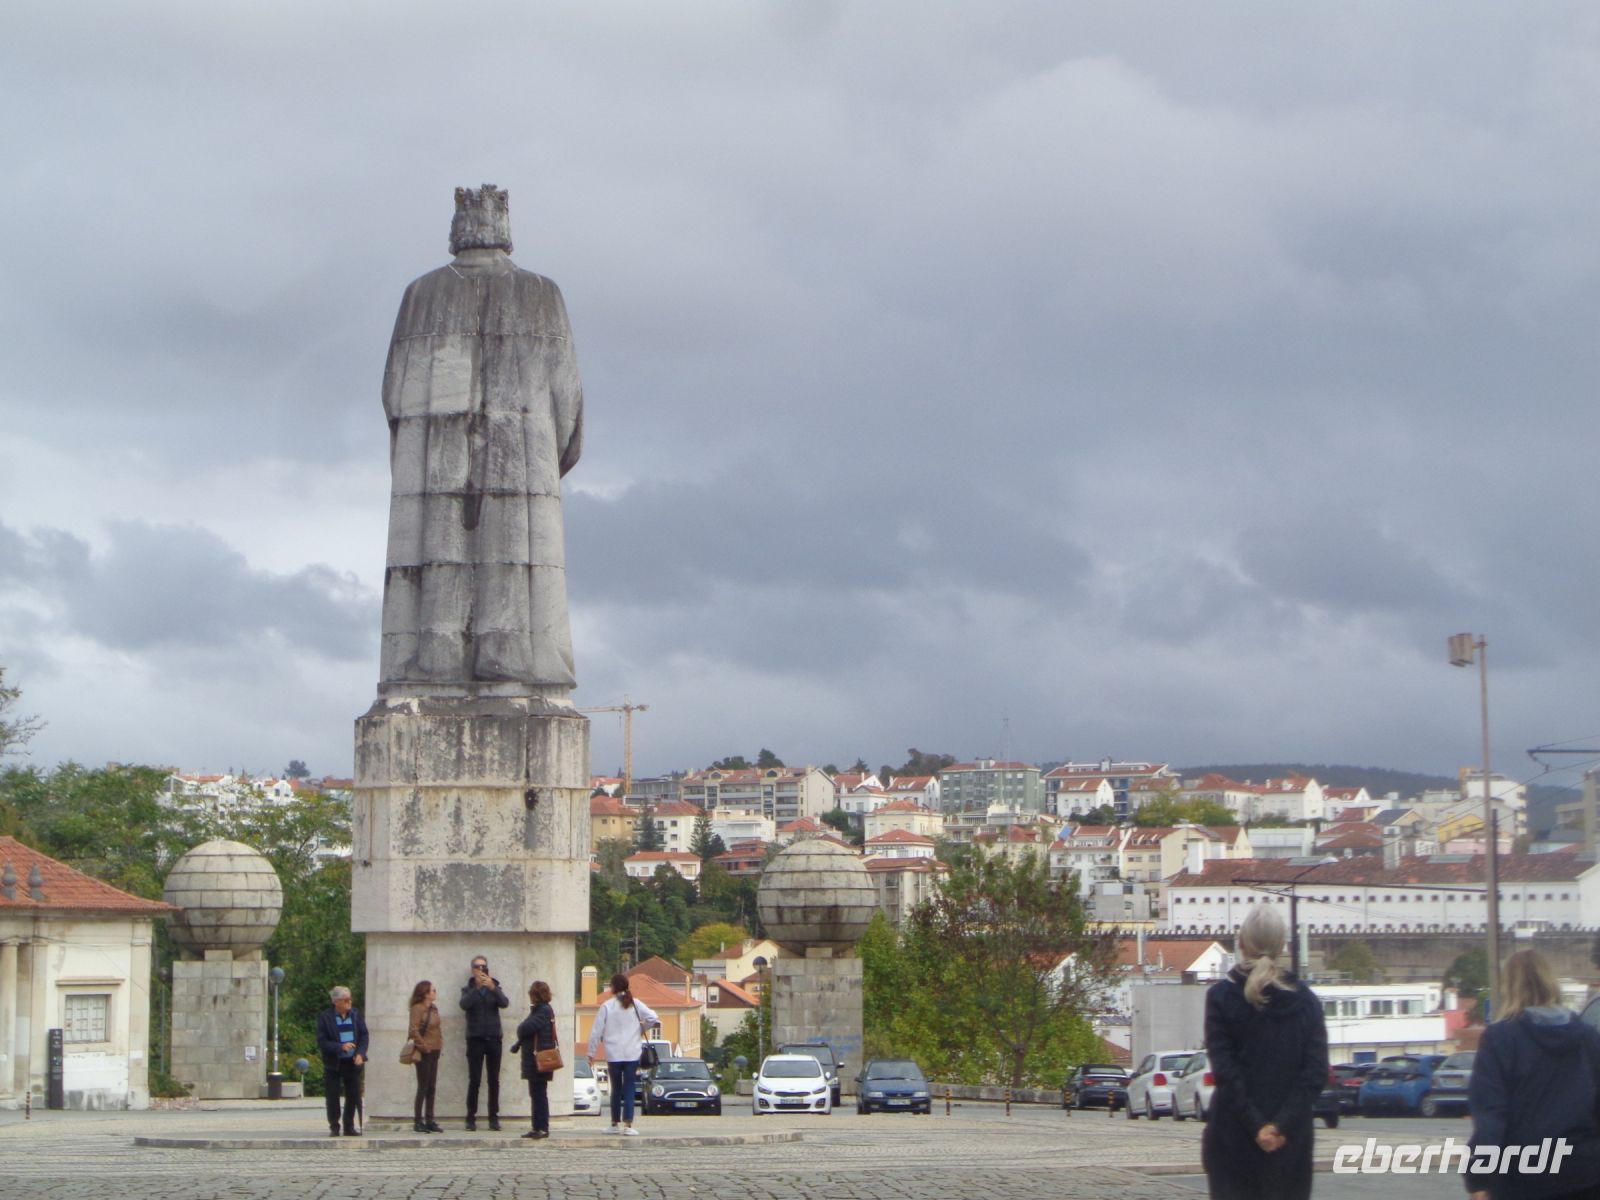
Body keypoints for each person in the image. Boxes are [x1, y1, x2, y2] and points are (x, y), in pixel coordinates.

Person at [1201, 906, 1327, 1200]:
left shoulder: (1220, 998)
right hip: (1290, 1144)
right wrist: (1280, 1126)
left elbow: (1226, 1072)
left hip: (1233, 1139)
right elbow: (1315, 1073)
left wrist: (1257, 1126)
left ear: (1241, 943)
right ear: (1282, 946)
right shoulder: (1307, 1002)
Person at [1466, 949, 1600, 1200]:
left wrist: (1479, 1178)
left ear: (1509, 987)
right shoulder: (1588, 1038)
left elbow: (1491, 1117)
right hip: (1585, 1174)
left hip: (1522, 1177)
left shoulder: (1500, 1039)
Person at [586, 972, 658, 1136]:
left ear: (612, 988)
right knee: (630, 1087)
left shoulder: (607, 1006)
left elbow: (596, 1031)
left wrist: (591, 1052)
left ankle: (614, 1123)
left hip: (613, 1053)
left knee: (616, 1088)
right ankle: (628, 1124)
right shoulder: (635, 1004)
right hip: (632, 1052)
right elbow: (653, 1017)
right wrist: (640, 1029)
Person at [459, 954, 510, 1130]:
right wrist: (477, 988)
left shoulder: (495, 986)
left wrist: (493, 988)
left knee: (493, 1080)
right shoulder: (468, 989)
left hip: (494, 1038)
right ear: (472, 970)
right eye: (477, 967)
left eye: (483, 967)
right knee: (474, 1080)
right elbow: (464, 1005)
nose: (480, 970)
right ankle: (470, 1117)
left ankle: (493, 1117)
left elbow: (504, 1003)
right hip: (475, 1039)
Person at [315, 986, 369, 1137]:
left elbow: (364, 1036)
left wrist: (360, 1053)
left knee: (353, 1095)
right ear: (336, 1002)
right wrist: (340, 1047)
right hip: (334, 1062)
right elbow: (322, 1041)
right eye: (346, 1000)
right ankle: (334, 1125)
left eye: (350, 999)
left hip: (352, 1062)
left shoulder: (356, 1015)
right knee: (332, 1095)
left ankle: (349, 1126)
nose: (349, 1002)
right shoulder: (326, 1017)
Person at [513, 980, 558, 1140]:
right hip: (537, 1058)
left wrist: (521, 1030)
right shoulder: (540, 1010)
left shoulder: (543, 1010)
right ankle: (536, 1126)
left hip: (540, 1058)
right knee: (536, 1093)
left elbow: (524, 1028)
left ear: (535, 995)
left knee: (539, 1094)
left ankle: (542, 1127)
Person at [407, 979, 444, 1134]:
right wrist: (423, 1046)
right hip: (424, 1051)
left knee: (431, 1087)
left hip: (435, 1049)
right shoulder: (417, 1008)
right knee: (423, 1086)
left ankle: (429, 1120)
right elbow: (413, 1030)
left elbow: (437, 1028)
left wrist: (439, 1044)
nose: (435, 993)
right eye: (432, 990)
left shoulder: (434, 1008)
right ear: (425, 993)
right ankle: (418, 1121)